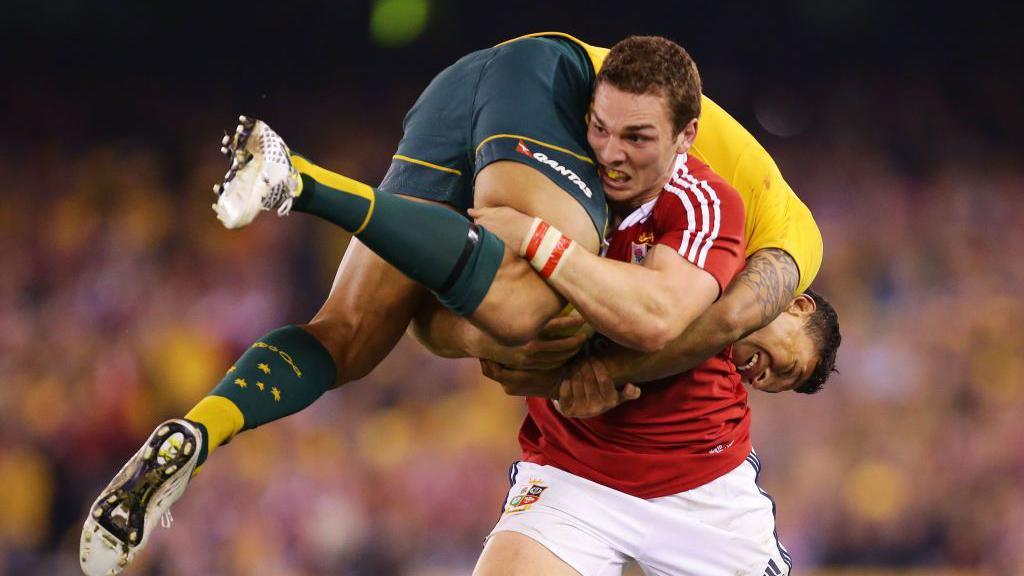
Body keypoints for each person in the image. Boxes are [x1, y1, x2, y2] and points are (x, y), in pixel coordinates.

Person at [80, 33, 822, 576]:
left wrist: (500, 352)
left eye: (770, 381)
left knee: (349, 338)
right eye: (783, 364)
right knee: (529, 306)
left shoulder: (628, 182)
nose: (758, 370)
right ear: (798, 302)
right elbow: (713, 321)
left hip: (473, 88)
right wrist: (578, 359)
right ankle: (301, 181)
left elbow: (443, 331)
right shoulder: (764, 231)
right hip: (544, 82)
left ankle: (201, 428)